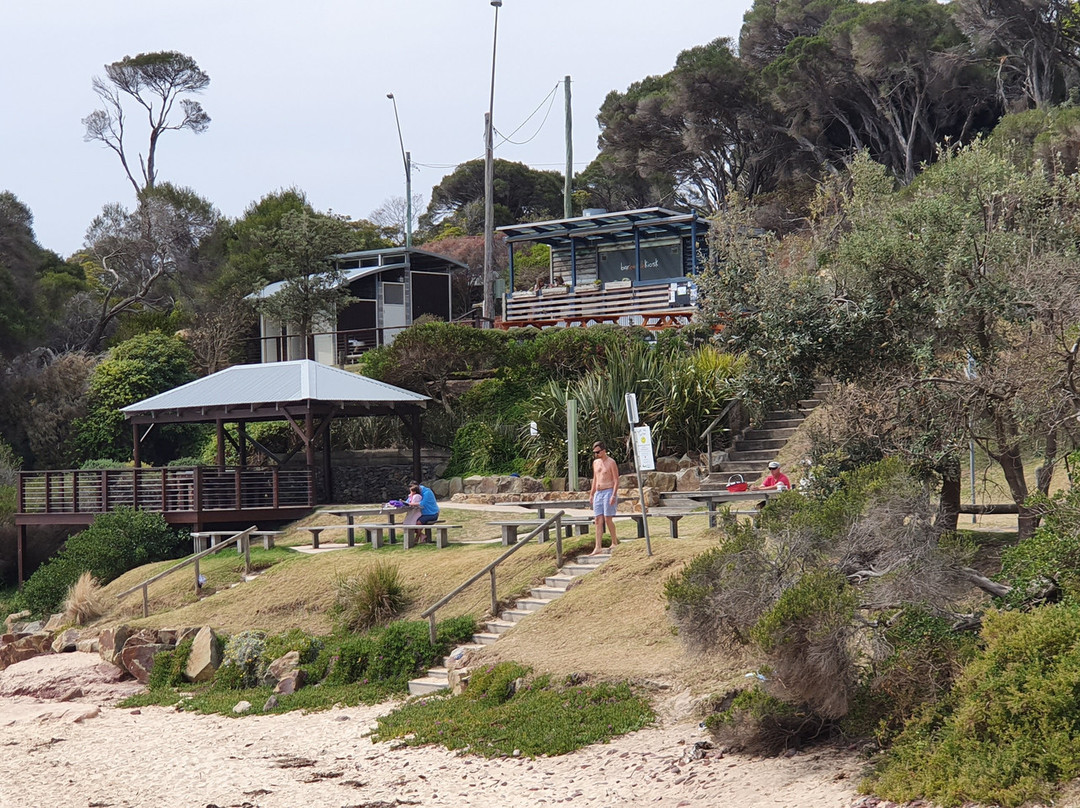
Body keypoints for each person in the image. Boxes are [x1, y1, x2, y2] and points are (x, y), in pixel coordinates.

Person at [589, 441, 620, 555]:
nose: (596, 454)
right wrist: (592, 494)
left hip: (608, 491)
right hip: (598, 492)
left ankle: (614, 542)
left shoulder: (611, 462)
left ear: (603, 450)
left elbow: (616, 479)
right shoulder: (595, 463)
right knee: (598, 520)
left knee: (607, 518)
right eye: (595, 452)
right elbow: (595, 479)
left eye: (598, 452)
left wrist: (613, 495)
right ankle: (598, 546)